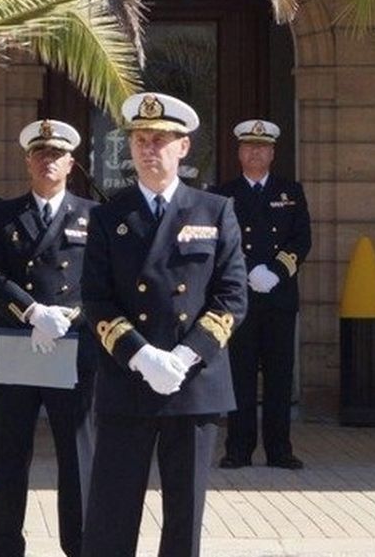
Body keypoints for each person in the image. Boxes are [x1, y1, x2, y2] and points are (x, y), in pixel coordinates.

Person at [81, 91, 246, 557]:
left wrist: (184, 356)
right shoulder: (110, 215)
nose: (149, 149)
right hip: (127, 379)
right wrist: (141, 354)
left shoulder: (215, 210)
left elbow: (232, 295)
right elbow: (96, 297)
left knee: (183, 518)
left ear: (183, 147)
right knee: (111, 514)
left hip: (192, 384)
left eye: (160, 140)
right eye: (140, 140)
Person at [0, 120, 98, 557]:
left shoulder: (93, 215)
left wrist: (70, 317)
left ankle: (81, 545)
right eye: (40, 154)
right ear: (28, 161)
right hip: (19, 343)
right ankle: (6, 547)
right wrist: (31, 311)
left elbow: (104, 283)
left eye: (57, 155)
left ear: (71, 163)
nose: (49, 161)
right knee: (10, 454)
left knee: (78, 455)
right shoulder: (2, 215)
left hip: (73, 344)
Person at [209, 119, 310, 470]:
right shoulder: (224, 194)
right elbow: (219, 243)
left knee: (280, 376)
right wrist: (247, 271)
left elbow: (301, 240)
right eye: (249, 146)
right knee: (240, 376)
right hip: (240, 301)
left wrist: (277, 271)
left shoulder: (290, 192)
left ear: (272, 152)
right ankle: (238, 449)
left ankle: (280, 449)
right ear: (239, 152)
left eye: (262, 147)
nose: (255, 152)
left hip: (279, 298)